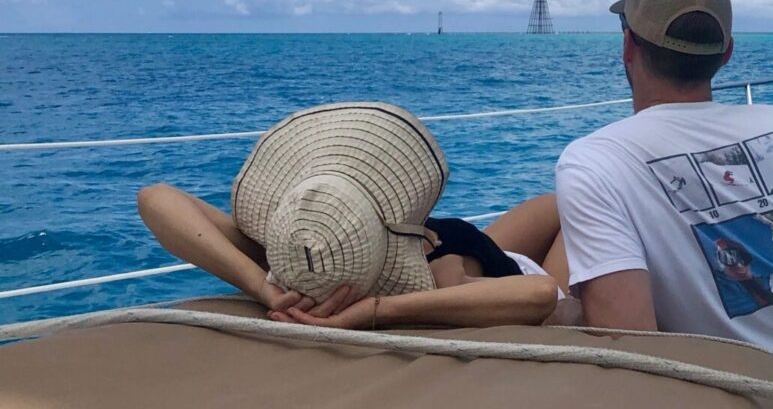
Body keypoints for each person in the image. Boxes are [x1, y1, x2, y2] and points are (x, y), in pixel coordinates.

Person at [555, 0, 773, 396]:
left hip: (763, 395)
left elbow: (629, 355)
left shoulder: (593, 161)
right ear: (727, 53)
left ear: (628, 45)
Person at [138, 101, 577, 330]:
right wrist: (375, 310)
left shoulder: (293, 259)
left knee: (557, 200)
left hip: (441, 240)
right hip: (502, 268)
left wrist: (263, 290)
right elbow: (540, 293)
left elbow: (155, 197)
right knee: (571, 204)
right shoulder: (440, 280)